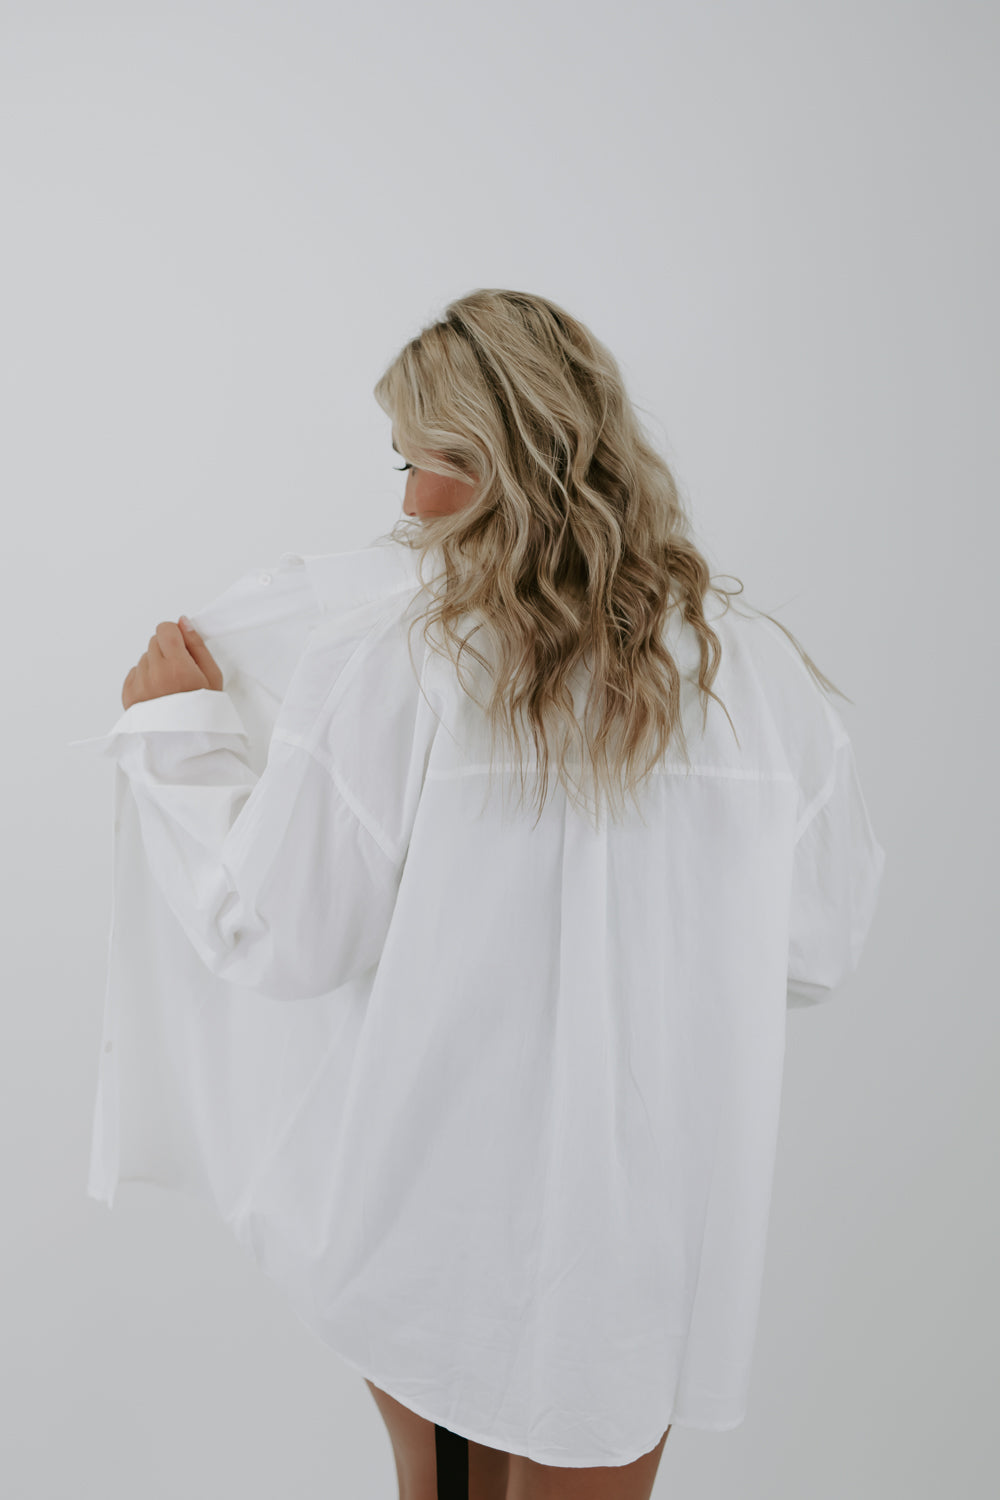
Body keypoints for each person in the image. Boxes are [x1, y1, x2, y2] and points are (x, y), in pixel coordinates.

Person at [80, 290, 886, 1500]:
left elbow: (280, 937)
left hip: (437, 1213)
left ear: (509, 461)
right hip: (640, 1222)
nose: (408, 504)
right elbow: (818, 944)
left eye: (428, 462)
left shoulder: (401, 659)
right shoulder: (753, 671)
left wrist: (179, 741)